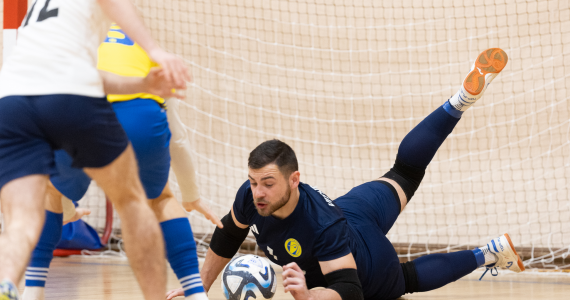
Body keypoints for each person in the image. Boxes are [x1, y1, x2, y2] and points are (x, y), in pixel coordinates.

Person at [166, 48, 525, 300]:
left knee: (408, 277)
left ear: (295, 180)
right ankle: (459, 100)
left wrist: (307, 297)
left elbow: (350, 291)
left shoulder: (321, 227)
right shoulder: (252, 194)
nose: (257, 192)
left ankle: (488, 253)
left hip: (365, 260)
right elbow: (229, 233)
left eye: (268, 184)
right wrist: (198, 285)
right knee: (404, 170)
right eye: (254, 181)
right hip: (352, 211)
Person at [0, 0, 190, 299]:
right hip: (69, 95)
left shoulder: (41, 10)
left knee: (22, 219)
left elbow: (86, 75)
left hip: (11, 100)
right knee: (132, 200)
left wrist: (142, 82)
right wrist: (155, 51)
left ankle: (8, 285)